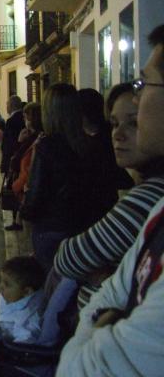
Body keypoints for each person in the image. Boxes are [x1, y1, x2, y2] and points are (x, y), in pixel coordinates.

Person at [55, 24, 164, 377]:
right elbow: (111, 293)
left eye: (145, 85)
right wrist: (109, 316)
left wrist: (103, 321)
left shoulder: (149, 197)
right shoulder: (158, 210)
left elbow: (80, 369)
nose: (118, 133)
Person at [54, 82, 164, 309]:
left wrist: (104, 273)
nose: (118, 134)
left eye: (134, 123)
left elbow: (68, 259)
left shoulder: (148, 197)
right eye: (113, 123)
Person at [19, 84, 112, 271]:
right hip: (83, 227)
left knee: (53, 285)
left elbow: (36, 193)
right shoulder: (92, 144)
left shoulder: (47, 146)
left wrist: (25, 209)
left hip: (51, 227)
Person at [6, 102, 43, 231]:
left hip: (26, 187)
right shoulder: (29, 135)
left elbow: (21, 160)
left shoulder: (38, 139)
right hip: (22, 185)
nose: (24, 120)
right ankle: (17, 222)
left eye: (26, 117)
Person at [1, 96, 25, 176]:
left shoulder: (11, 121)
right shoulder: (23, 117)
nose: (6, 107)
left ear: (11, 105)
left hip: (12, 158)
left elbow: (9, 143)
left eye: (7, 105)